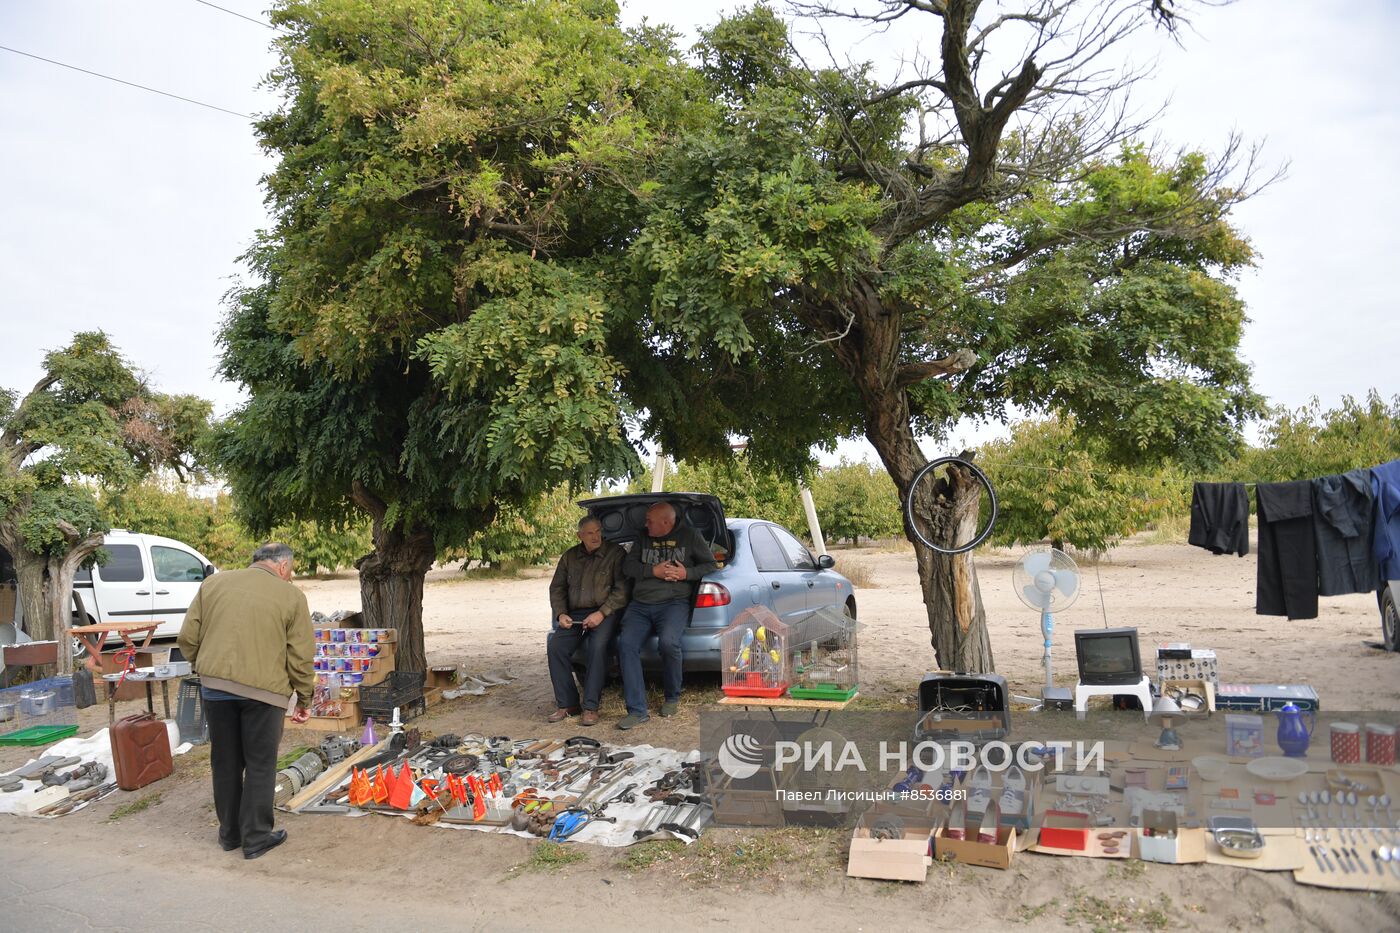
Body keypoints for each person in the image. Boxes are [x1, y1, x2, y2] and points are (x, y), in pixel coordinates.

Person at [177, 542, 313, 860]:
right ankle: (256, 838)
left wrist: (205, 666)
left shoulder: (213, 584)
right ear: (282, 566)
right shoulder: (291, 596)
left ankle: (229, 835)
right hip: (265, 695)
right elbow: (300, 655)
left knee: (225, 762)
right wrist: (304, 696)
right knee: (260, 765)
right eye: (290, 571)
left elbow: (187, 637)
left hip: (215, 690)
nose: (289, 576)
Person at [615, 502, 718, 729]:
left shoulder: (690, 536)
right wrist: (653, 571)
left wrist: (686, 573)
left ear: (666, 522)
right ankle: (637, 710)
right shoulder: (642, 537)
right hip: (640, 605)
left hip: (674, 603)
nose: (646, 524)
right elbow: (628, 567)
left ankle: (672, 697)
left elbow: (711, 565)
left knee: (669, 643)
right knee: (626, 645)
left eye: (650, 521)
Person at [546, 516, 629, 726]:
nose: (596, 536)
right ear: (579, 535)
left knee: (597, 646)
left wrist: (602, 613)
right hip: (575, 613)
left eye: (598, 531)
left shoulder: (615, 554)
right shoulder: (569, 557)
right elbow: (557, 588)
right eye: (590, 533)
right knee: (556, 646)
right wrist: (560, 613)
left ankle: (591, 707)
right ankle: (568, 704)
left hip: (606, 611)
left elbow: (623, 590)